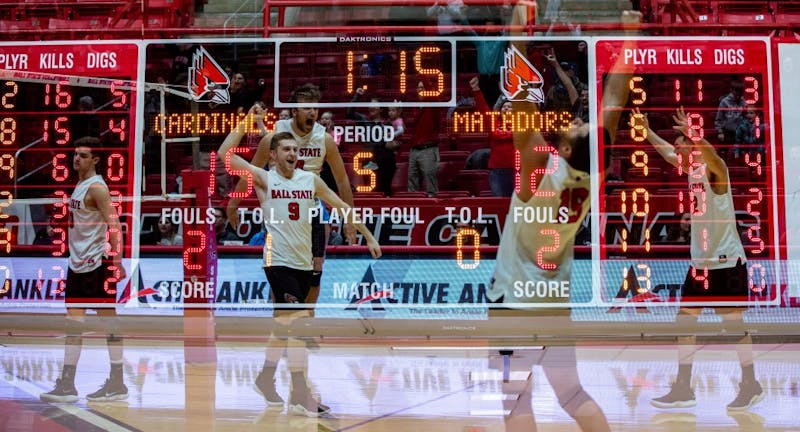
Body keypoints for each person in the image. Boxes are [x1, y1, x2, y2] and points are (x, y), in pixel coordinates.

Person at [485, 11, 642, 431]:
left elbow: (520, 101)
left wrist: (518, 36)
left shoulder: (540, 166)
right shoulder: (590, 179)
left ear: (569, 149)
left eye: (577, 126)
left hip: (515, 302)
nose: (575, 121)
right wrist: (630, 38)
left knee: (514, 400)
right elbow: (613, 104)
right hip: (556, 302)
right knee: (572, 394)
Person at [218, 108, 381, 416]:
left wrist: (368, 236)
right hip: (277, 262)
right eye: (286, 149)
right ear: (274, 156)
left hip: (304, 263)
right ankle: (300, 394)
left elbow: (342, 207)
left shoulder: (310, 180)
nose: (293, 152)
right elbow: (224, 154)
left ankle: (266, 377)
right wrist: (246, 123)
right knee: (296, 325)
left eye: (295, 148)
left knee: (283, 325)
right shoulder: (264, 179)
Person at [633, 107, 764, 411]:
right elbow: (667, 154)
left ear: (694, 146)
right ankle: (683, 388)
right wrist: (648, 131)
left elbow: (713, 156)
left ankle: (751, 384)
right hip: (701, 265)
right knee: (684, 321)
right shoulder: (692, 172)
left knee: (733, 325)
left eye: (683, 146)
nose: (677, 151)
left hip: (727, 263)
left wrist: (694, 135)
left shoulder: (717, 171)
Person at [228, 83, 357, 306]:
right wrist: (233, 204)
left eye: (315, 108)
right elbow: (251, 172)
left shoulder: (324, 139)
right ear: (294, 110)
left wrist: (350, 219)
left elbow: (343, 181)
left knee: (315, 273)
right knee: (279, 271)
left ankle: (307, 320)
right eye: (306, 108)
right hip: (278, 212)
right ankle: (279, 318)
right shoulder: (274, 137)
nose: (312, 113)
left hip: (312, 213)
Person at [40, 136, 128, 403]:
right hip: (76, 263)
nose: (76, 158)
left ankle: (117, 381)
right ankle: (67, 384)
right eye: (75, 154)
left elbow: (115, 225)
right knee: (73, 325)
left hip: (97, 263)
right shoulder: (78, 185)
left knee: (108, 321)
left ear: (96, 160)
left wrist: (117, 261)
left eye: (83, 155)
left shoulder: (98, 188)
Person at [469, 76, 514, 197]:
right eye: (504, 107)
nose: (506, 108)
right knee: (499, 203)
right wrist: (476, 89)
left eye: (509, 107)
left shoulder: (522, 124)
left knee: (516, 204)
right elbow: (483, 108)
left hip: (517, 170)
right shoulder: (493, 122)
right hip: (497, 170)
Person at [347, 88, 397, 196]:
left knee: (384, 188)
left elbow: (392, 144)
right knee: (371, 189)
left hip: (384, 161)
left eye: (374, 105)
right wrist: (357, 95)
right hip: (369, 159)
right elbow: (349, 112)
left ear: (381, 109)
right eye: (370, 105)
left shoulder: (387, 124)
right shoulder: (364, 120)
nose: (371, 107)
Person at [407, 80, 446, 196]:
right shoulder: (416, 108)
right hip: (414, 150)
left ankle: (431, 210)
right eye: (418, 88)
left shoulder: (434, 106)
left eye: (422, 87)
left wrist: (419, 66)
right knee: (411, 185)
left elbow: (429, 87)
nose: (420, 90)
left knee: (431, 187)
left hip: (428, 150)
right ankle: (412, 210)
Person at [715, 79, 746, 145]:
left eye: (740, 91)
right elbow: (719, 119)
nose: (738, 93)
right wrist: (720, 132)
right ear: (731, 90)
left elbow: (746, 118)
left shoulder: (743, 102)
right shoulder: (724, 102)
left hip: (740, 133)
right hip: (727, 133)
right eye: (736, 91)